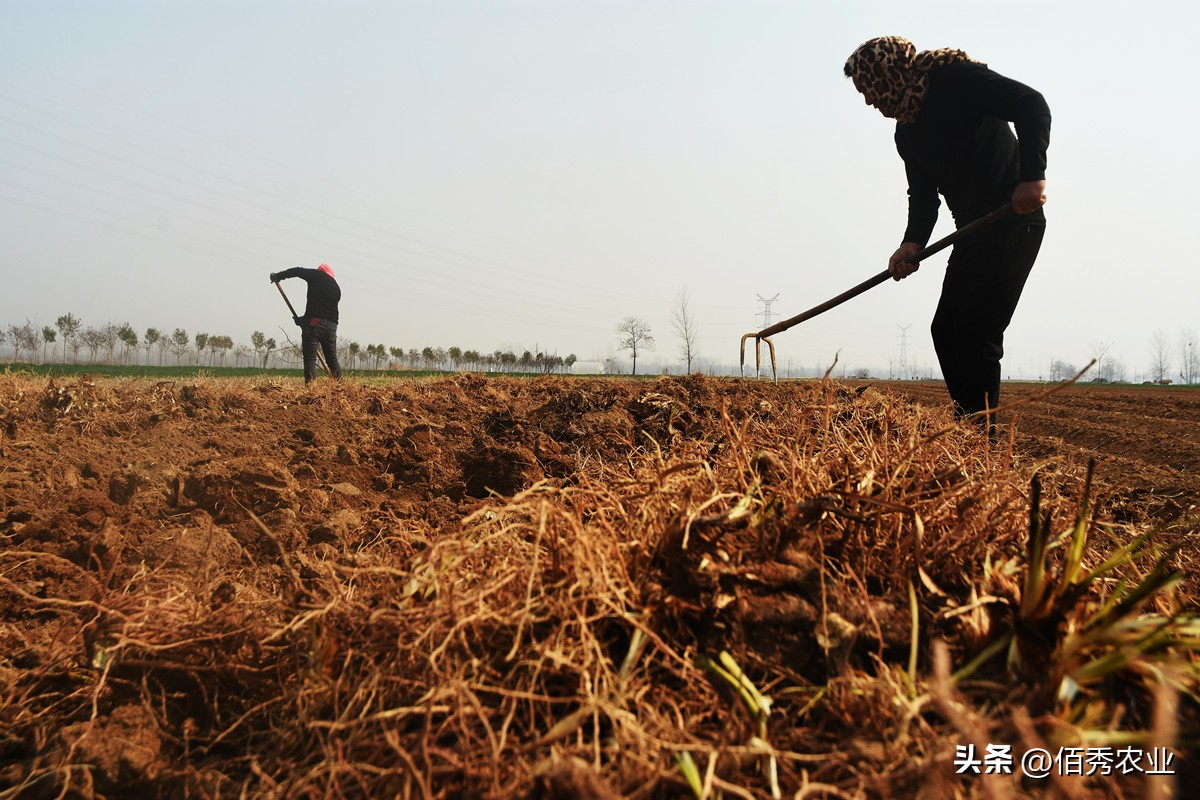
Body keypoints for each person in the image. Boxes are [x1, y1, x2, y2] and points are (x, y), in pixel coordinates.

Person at [843, 36, 1050, 435]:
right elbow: (923, 197)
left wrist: (1032, 176)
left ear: (889, 74)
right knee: (946, 330)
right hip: (971, 229)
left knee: (977, 332)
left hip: (1013, 219)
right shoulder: (907, 133)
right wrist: (911, 243)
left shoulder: (955, 80)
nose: (869, 101)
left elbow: (1032, 105)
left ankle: (980, 441)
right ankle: (969, 427)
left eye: (869, 89)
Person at [269, 263, 343, 384]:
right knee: (332, 360)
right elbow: (323, 308)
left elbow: (298, 271)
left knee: (310, 359)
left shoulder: (316, 275)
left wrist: (278, 276)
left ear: (320, 271)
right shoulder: (336, 287)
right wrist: (304, 320)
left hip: (314, 324)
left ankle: (311, 391)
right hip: (331, 327)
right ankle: (342, 389)